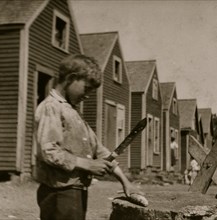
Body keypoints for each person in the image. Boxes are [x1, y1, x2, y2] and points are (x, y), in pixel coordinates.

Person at [34, 54, 146, 220]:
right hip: (58, 193)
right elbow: (49, 151)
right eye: (86, 88)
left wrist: (125, 182)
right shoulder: (51, 107)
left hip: (75, 192)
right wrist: (88, 165)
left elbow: (100, 152)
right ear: (71, 78)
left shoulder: (73, 113)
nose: (87, 95)